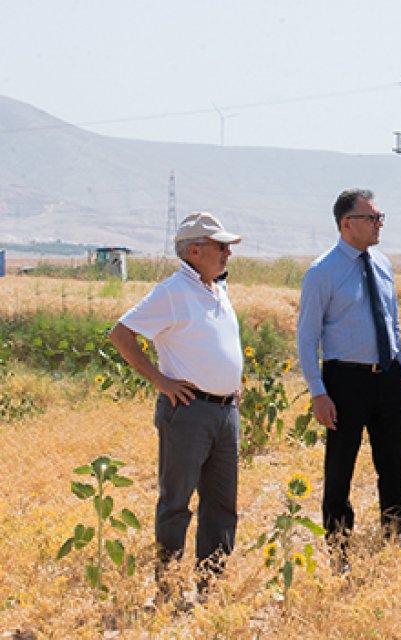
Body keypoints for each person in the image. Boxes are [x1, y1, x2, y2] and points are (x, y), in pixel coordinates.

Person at [108, 211, 243, 599]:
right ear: (195, 250)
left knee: (221, 503)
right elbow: (121, 334)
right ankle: (168, 586)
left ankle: (210, 585)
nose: (227, 254)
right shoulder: (172, 291)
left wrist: (231, 383)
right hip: (188, 412)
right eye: (221, 247)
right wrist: (161, 381)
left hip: (224, 411)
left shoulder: (217, 289)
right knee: (177, 501)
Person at [297, 189, 401, 564]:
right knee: (340, 470)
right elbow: (306, 339)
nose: (379, 224)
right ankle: (339, 551)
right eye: (372, 218)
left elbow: (392, 326)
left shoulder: (382, 265)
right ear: (347, 224)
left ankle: (393, 542)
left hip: (388, 378)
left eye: (381, 218)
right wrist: (318, 393)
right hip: (344, 381)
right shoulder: (322, 272)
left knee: (395, 467)